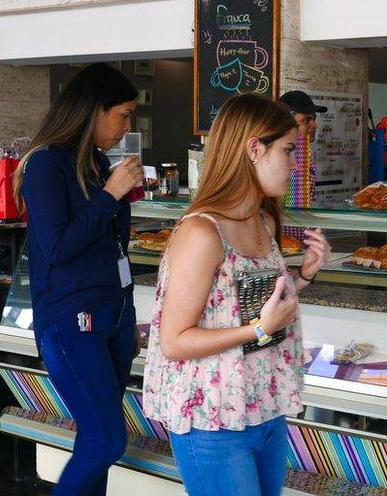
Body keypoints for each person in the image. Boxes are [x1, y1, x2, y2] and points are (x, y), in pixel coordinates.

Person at [142, 94, 331, 496]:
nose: (295, 163)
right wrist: (259, 330)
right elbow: (175, 341)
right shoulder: (202, 232)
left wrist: (305, 275)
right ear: (253, 149)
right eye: (288, 150)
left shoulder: (262, 219)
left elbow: (242, 303)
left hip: (264, 405)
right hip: (212, 416)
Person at [12, 63, 145, 496]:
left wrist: (129, 312)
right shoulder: (46, 165)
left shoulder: (95, 162)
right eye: (123, 115)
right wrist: (111, 195)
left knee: (96, 440)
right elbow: (58, 248)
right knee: (107, 439)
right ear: (93, 111)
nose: (128, 126)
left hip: (116, 317)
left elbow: (111, 244)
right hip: (72, 320)